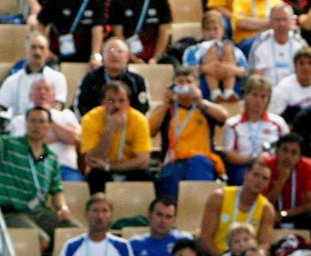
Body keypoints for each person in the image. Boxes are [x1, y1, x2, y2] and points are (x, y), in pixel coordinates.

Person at [0, 106, 73, 252]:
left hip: (40, 212)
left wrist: (63, 208)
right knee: (40, 241)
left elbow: (57, 189)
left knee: (74, 234)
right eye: (32, 121)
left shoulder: (51, 156)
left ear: (49, 125)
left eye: (41, 121)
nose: (36, 126)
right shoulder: (9, 144)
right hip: (11, 212)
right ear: (26, 123)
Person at [148, 66, 230, 196]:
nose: (185, 85)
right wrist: (165, 104)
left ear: (197, 85)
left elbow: (224, 116)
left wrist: (200, 100)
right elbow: (149, 130)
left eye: (189, 82)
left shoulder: (204, 107)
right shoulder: (166, 109)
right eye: (180, 82)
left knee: (198, 163)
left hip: (201, 160)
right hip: (174, 161)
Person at [0, 77, 83, 181]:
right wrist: (59, 136)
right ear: (30, 95)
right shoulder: (20, 120)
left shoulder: (66, 115)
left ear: (53, 96)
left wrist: (49, 119)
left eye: (47, 89)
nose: (42, 92)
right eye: (38, 89)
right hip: (29, 167)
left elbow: (74, 139)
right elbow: (22, 146)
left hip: (63, 167)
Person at [78, 81, 153, 194]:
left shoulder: (139, 120)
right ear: (103, 102)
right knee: (96, 175)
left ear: (128, 102)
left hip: (126, 169)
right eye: (111, 100)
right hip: (100, 172)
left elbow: (143, 160)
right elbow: (92, 159)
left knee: (144, 175)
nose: (116, 106)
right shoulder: (90, 119)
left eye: (121, 101)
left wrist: (109, 167)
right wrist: (110, 129)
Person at [198, 158, 275, 256]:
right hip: (216, 255)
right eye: (256, 175)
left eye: (265, 178)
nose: (259, 181)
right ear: (246, 174)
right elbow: (205, 238)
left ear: (267, 184)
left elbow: (265, 243)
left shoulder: (267, 209)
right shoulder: (219, 197)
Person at [0, 33, 68, 131]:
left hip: (48, 129)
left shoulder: (58, 78)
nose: (37, 52)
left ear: (47, 52)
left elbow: (57, 107)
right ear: (25, 51)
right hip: (20, 129)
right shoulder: (12, 80)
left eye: (41, 48)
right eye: (33, 47)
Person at [221, 78, 287, 185]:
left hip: (272, 165)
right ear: (246, 96)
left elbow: (287, 148)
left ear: (269, 99)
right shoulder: (233, 124)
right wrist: (253, 159)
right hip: (244, 166)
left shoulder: (278, 123)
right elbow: (230, 155)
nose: (258, 100)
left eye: (263, 96)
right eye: (254, 95)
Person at [264, 136, 311, 244]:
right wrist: (281, 180)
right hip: (271, 214)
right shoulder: (266, 166)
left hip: (295, 214)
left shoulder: (308, 168)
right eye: (284, 150)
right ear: (276, 152)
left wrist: (283, 214)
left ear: (300, 157)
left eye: (294, 152)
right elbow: (263, 203)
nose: (287, 156)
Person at [74, 38, 149, 116]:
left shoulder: (137, 80)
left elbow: (142, 108)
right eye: (110, 51)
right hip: (96, 124)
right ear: (103, 55)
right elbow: (81, 105)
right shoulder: (91, 77)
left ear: (127, 57)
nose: (115, 54)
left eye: (120, 51)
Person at [185, 12, 247, 100]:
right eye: (208, 29)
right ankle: (215, 92)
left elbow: (245, 70)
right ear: (202, 31)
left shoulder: (234, 50)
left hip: (233, 86)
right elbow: (187, 70)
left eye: (215, 29)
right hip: (204, 89)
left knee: (227, 48)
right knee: (212, 48)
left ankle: (229, 92)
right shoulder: (193, 50)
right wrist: (205, 68)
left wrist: (232, 69)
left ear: (222, 29)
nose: (212, 33)